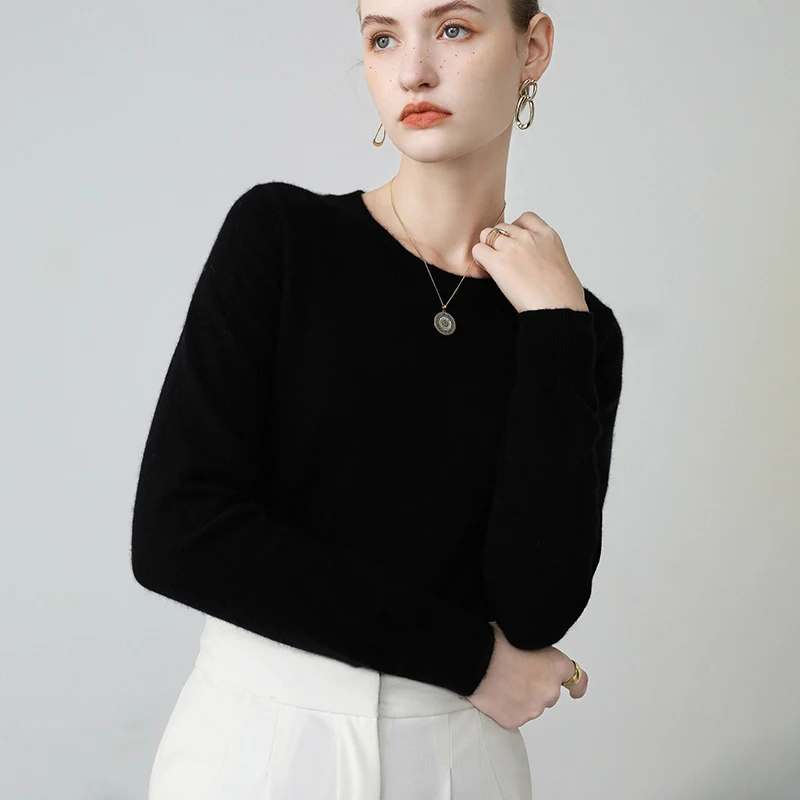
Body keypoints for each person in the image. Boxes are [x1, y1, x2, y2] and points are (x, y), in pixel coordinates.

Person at [131, 0, 625, 797]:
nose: (413, 72)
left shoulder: (573, 329)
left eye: (454, 29)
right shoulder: (282, 238)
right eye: (383, 37)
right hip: (260, 743)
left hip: (458, 757)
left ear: (532, 49)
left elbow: (536, 608)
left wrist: (554, 332)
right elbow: (178, 533)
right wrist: (472, 659)